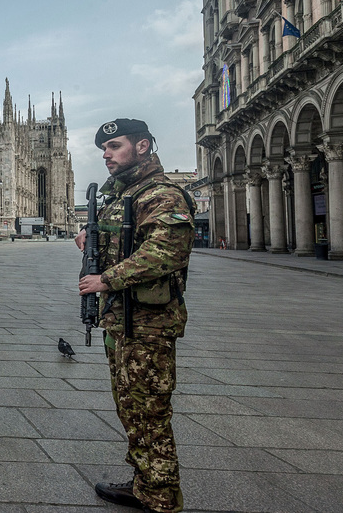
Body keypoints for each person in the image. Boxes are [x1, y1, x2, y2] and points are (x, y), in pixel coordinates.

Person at [75, 119, 194, 513]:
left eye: (114, 146)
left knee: (150, 411)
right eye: (103, 149)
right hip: (123, 321)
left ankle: (161, 498)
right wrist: (91, 241)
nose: (106, 155)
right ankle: (145, 482)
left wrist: (106, 279)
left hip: (148, 325)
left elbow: (166, 251)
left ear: (142, 146)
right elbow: (127, 243)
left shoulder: (162, 194)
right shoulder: (125, 195)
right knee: (131, 407)